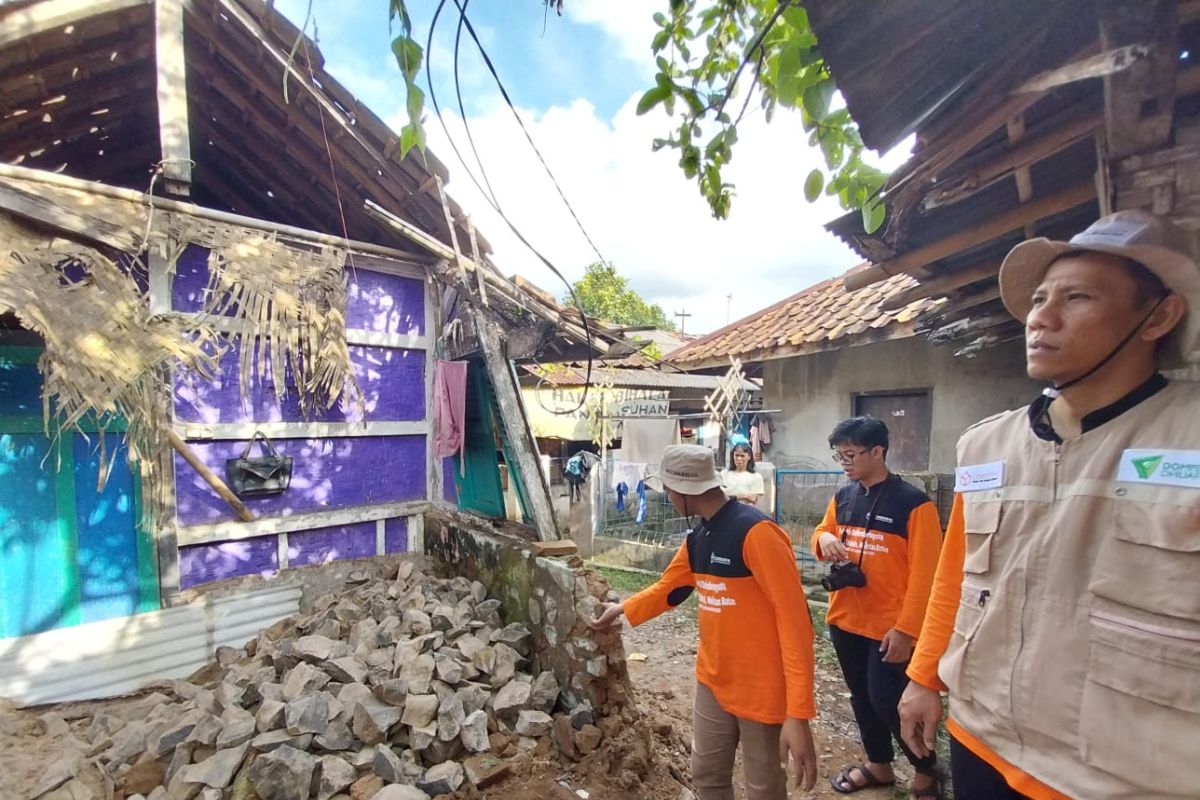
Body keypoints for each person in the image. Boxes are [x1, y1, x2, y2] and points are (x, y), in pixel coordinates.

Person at [898, 210, 1199, 800]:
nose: (1042, 318)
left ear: (1158, 315)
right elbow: (955, 576)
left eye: (1077, 297)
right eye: (1038, 299)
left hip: (1129, 774)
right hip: (982, 739)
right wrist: (924, 676)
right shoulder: (986, 445)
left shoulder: (1188, 435)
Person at [590, 444, 818, 799]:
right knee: (707, 775)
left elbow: (796, 625)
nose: (666, 496)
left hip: (761, 687)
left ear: (683, 492)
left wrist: (798, 713)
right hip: (713, 679)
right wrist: (622, 609)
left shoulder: (757, 534)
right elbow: (671, 587)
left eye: (667, 490)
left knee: (764, 787)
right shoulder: (699, 537)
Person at [812, 416, 944, 798]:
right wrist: (825, 543)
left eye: (851, 454)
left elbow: (926, 576)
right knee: (861, 696)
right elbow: (822, 531)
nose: (845, 462)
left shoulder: (914, 504)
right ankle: (879, 765)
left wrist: (907, 629)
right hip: (846, 619)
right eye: (840, 456)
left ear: (878, 452)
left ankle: (927, 768)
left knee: (890, 700)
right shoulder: (844, 497)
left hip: (890, 627)